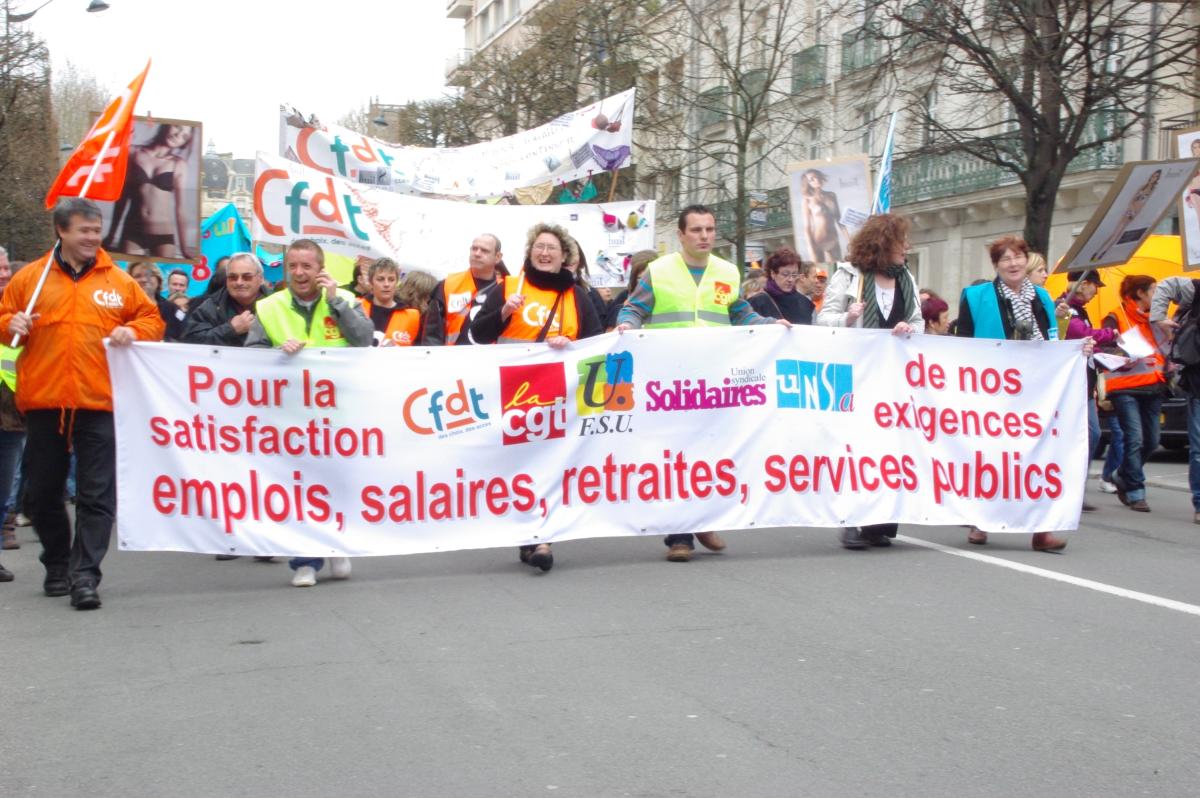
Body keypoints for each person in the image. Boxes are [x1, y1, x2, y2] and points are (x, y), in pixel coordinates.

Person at [0, 198, 165, 608]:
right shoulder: (31, 279)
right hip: (44, 402)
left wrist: (134, 330)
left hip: (100, 401)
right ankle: (57, 563)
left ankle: (85, 575)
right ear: (62, 231)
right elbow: (4, 324)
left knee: (96, 494)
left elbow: (152, 321)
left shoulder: (119, 282)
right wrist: (8, 324)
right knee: (40, 495)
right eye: (85, 231)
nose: (93, 238)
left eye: (97, 230)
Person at [616, 204, 789, 562]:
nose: (705, 236)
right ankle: (679, 536)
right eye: (696, 230)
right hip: (670, 380)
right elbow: (634, 307)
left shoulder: (726, 270)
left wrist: (767, 324)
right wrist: (627, 326)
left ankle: (703, 519)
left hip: (715, 379)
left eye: (709, 229)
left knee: (712, 453)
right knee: (677, 455)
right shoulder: (658, 271)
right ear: (681, 235)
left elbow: (739, 312)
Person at [469, 223, 604, 572]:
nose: (544, 253)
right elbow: (479, 335)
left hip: (559, 397)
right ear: (530, 253)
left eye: (552, 249)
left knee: (549, 466)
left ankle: (540, 536)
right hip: (513, 394)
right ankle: (532, 534)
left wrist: (568, 345)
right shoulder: (509, 287)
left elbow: (596, 344)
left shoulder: (577, 297)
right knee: (521, 467)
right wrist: (503, 313)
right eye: (539, 247)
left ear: (564, 258)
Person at [246, 239, 373, 587]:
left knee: (336, 484)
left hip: (339, 416)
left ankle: (336, 546)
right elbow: (248, 356)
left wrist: (335, 303)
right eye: (293, 266)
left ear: (321, 270)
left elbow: (364, 340)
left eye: (307, 267)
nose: (300, 273)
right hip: (291, 418)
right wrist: (275, 352)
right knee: (300, 488)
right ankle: (305, 560)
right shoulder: (269, 307)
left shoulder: (345, 300)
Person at [955, 235, 1083, 551]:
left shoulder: (1041, 298)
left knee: (1038, 456)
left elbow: (1053, 344)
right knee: (990, 457)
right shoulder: (975, 297)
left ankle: (1041, 529)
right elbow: (960, 345)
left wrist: (1079, 348)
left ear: (1026, 260)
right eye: (1005, 259)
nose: (1013, 264)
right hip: (990, 389)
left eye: (1018, 257)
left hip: (1034, 391)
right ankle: (980, 521)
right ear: (996, 266)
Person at [817, 212, 924, 549]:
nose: (906, 247)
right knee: (857, 446)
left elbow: (918, 320)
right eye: (899, 242)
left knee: (890, 447)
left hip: (893, 376)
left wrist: (909, 329)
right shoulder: (849, 277)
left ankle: (880, 522)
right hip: (856, 374)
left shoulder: (906, 276)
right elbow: (823, 320)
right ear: (882, 244)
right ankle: (850, 518)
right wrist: (847, 317)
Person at [179, 252, 276, 562]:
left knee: (269, 473)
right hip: (224, 405)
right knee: (228, 473)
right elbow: (188, 344)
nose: (239, 283)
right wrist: (229, 330)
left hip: (269, 403)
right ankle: (230, 536)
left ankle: (267, 538)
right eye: (234, 277)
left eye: (247, 277)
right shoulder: (210, 306)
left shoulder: (278, 305)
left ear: (260, 279)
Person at [1101, 274, 1168, 513]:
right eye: (1154, 291)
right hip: (1125, 386)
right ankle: (1136, 492)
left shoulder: (1157, 319)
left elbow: (1164, 350)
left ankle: (1122, 475)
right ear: (1139, 293)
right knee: (1135, 438)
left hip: (1153, 385)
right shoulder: (1115, 317)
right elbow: (1103, 348)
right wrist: (1122, 354)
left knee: (1152, 440)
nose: (1158, 296)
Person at [1060, 270, 1116, 513]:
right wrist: (1109, 334)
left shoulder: (1080, 310)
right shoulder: (1064, 308)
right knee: (1088, 434)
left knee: (1089, 434)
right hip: (1071, 384)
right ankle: (1069, 487)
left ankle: (1074, 488)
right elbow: (1079, 334)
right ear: (1082, 284)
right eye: (1095, 286)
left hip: (1085, 382)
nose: (1096, 291)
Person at [103, 124, 196, 259]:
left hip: (163, 235)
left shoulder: (179, 165)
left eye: (184, 136)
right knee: (130, 275)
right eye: (177, 127)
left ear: (184, 143)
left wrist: (184, 248)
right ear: (166, 126)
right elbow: (122, 198)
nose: (178, 136)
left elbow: (180, 210)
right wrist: (111, 234)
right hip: (133, 232)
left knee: (163, 277)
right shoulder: (134, 153)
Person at [424, 234, 504, 346]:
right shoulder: (448, 284)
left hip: (491, 360)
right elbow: (432, 333)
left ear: (497, 257)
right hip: (451, 359)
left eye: (484, 251)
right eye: (474, 248)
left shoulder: (505, 289)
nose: (477, 254)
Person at [0, 247, 22, 571]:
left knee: (3, 489)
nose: (4, 274)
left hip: (10, 415)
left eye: (5, 267)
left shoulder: (21, 309)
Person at [1090, 169, 1162, 263]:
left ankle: (1103, 253)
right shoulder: (1142, 187)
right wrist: (1131, 209)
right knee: (1115, 233)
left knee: (1118, 235)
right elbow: (1132, 200)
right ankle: (1098, 252)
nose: (1154, 178)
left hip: (1136, 212)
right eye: (1153, 176)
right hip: (1129, 211)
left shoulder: (1152, 190)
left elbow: (1145, 203)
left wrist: (1136, 212)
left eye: (1156, 177)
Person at [360, 258, 422, 347]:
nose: (386, 284)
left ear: (397, 282)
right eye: (380, 279)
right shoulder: (357, 306)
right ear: (371, 282)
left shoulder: (412, 316)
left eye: (391, 279)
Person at [748, 247, 816, 325]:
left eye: (794, 274)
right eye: (785, 274)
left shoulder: (806, 304)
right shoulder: (758, 302)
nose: (790, 279)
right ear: (773, 273)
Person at [798, 169, 848, 262]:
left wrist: (850, 241)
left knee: (836, 271)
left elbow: (839, 220)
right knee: (820, 274)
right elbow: (807, 228)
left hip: (833, 241)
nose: (816, 180)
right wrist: (811, 251)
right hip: (817, 243)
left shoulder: (832, 195)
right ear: (808, 183)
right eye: (812, 179)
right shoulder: (807, 200)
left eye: (817, 177)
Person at [604, 249, 656, 331]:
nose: (645, 283)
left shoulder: (664, 292)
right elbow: (609, 332)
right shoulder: (623, 298)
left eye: (649, 278)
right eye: (640, 278)